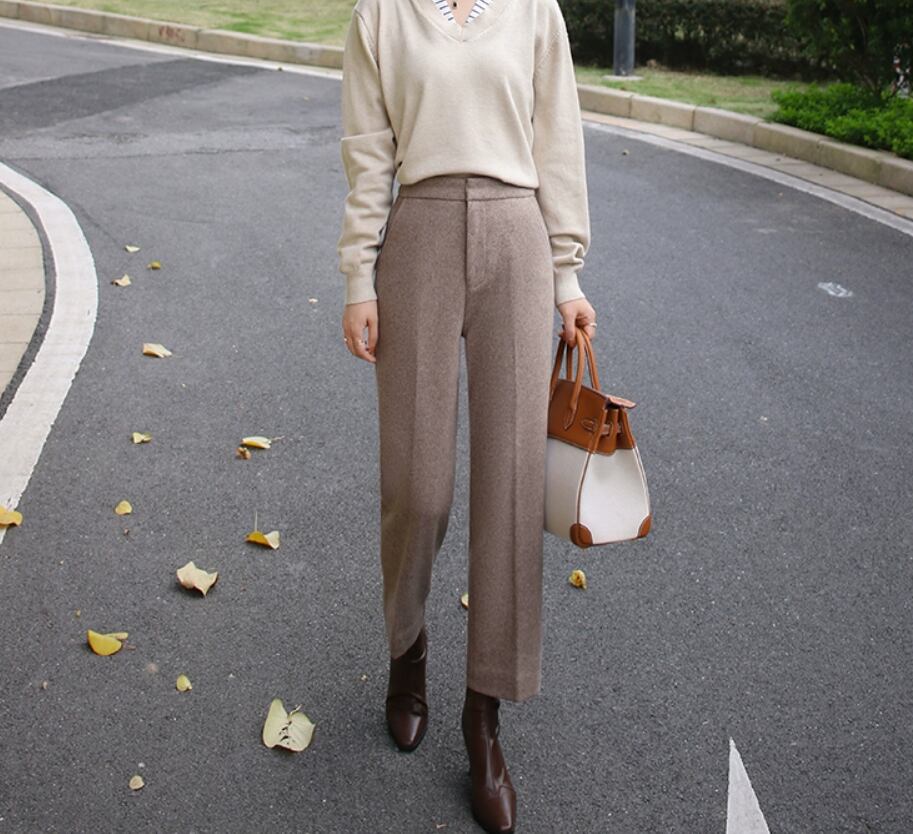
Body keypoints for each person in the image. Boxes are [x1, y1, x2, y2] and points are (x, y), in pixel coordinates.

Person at [336, 0, 596, 829]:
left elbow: (557, 138)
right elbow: (367, 150)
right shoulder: (380, 15)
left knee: (510, 488)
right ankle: (407, 646)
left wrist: (566, 275)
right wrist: (358, 277)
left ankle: (483, 714)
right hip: (416, 235)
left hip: (517, 242)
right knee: (417, 488)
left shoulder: (534, 12)